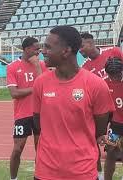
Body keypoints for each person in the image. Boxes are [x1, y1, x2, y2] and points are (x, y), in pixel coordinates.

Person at [32, 26, 115, 180]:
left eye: (48, 47)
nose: (42, 51)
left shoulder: (96, 85)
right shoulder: (40, 83)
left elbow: (99, 129)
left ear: (66, 51)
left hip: (82, 172)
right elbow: (38, 122)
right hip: (46, 171)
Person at [80, 32, 123, 179]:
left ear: (90, 42)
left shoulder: (114, 51)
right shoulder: (84, 69)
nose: (80, 50)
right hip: (111, 115)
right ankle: (102, 176)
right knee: (111, 149)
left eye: (81, 46)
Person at [6, 37, 46, 180]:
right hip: (22, 114)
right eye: (36, 48)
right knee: (17, 149)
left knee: (40, 149)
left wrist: (37, 67)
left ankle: (39, 176)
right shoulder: (12, 67)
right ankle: (13, 178)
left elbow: (45, 87)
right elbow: (14, 93)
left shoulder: (41, 65)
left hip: (40, 114)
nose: (39, 51)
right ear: (27, 49)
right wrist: (35, 87)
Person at [103, 57, 123, 180]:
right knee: (110, 151)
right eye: (112, 75)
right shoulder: (103, 83)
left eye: (118, 74)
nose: (115, 78)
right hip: (116, 124)